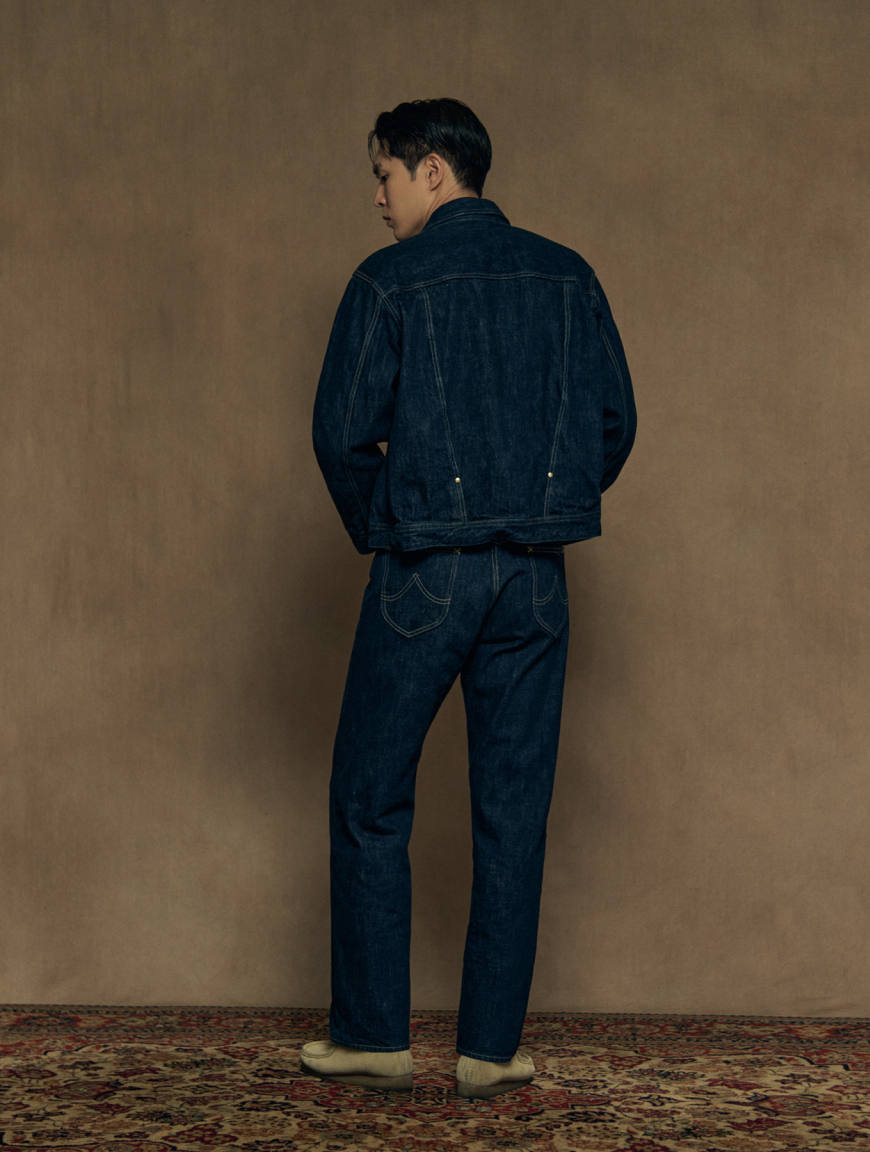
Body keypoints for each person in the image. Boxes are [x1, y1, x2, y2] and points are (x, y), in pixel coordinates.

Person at [302, 98, 636, 1097]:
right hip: (535, 578)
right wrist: (545, 501)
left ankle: (375, 1035)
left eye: (385, 175)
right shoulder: (568, 275)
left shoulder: (390, 281)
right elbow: (615, 424)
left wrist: (397, 520)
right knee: (513, 811)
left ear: (434, 171)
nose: (378, 197)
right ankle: (490, 1050)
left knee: (370, 797)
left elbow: (339, 433)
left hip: (426, 575)